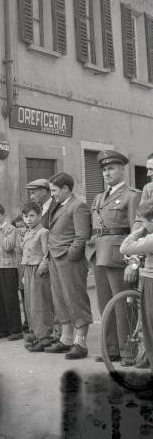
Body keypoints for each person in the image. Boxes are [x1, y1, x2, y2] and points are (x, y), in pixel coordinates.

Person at [86, 150, 141, 364]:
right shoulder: (99, 197)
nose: (107, 173)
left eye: (111, 168)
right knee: (104, 303)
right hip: (99, 253)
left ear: (122, 170)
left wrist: (133, 260)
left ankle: (128, 351)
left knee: (123, 303)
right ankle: (111, 349)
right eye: (104, 169)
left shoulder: (131, 195)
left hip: (119, 254)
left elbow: (136, 229)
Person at [44, 172, 92, 359]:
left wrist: (71, 254)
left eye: (54, 190)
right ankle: (66, 339)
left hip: (69, 259)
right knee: (60, 299)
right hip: (56, 258)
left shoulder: (78, 206)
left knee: (75, 299)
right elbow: (46, 224)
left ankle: (81, 343)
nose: (52, 194)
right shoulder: (59, 205)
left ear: (66, 188)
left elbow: (82, 236)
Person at [120, 200, 153, 372]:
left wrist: (139, 231)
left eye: (143, 221)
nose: (142, 225)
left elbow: (125, 248)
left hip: (150, 282)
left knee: (149, 328)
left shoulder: (150, 238)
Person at [20, 202, 54, 352]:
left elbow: (47, 253)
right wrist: (23, 275)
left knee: (40, 304)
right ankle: (36, 333)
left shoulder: (43, 232)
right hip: (28, 269)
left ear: (39, 216)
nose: (29, 219)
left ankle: (44, 337)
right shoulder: (27, 232)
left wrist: (43, 267)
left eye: (32, 216)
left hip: (38, 269)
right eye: (26, 216)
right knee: (30, 304)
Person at [0, 204, 23, 341]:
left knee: (10, 298)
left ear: (4, 215)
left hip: (8, 266)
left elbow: (8, 246)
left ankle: (15, 330)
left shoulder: (11, 229)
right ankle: (2, 328)